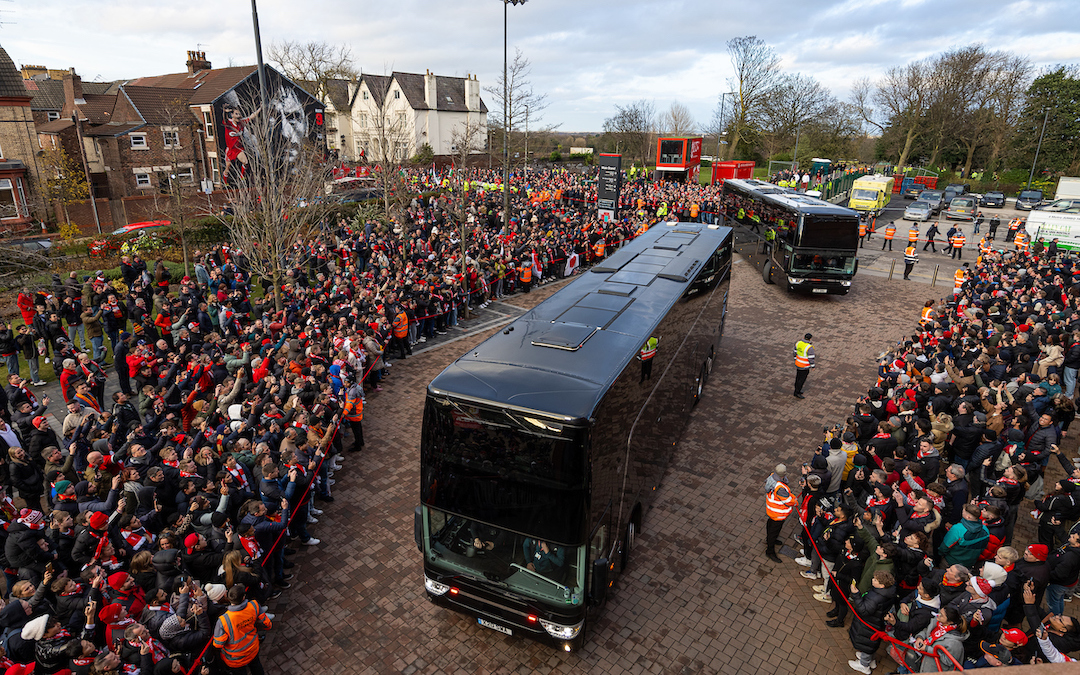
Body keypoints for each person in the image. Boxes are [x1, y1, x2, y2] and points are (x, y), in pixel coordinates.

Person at [212, 584, 272, 675]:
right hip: (252, 648)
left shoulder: (223, 620)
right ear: (243, 597)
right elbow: (267, 624)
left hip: (235, 659)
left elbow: (218, 644)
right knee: (257, 667)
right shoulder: (254, 605)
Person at [765, 464, 796, 563]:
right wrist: (795, 501)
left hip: (772, 511)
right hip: (778, 514)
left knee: (770, 525)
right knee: (774, 531)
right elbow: (788, 501)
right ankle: (770, 550)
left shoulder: (772, 477)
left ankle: (769, 540)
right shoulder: (780, 488)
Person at [793, 333, 815, 399]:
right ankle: (797, 392)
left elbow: (794, 352)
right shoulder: (809, 347)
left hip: (798, 364)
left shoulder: (798, 343)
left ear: (804, 337)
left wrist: (795, 359)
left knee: (798, 378)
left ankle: (797, 390)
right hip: (804, 366)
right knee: (801, 380)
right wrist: (813, 366)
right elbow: (811, 358)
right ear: (810, 339)